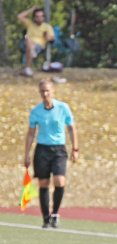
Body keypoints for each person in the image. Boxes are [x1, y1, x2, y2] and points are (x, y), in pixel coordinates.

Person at [24, 79, 78, 229]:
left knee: (60, 181)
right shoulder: (36, 111)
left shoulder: (63, 108)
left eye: (47, 90)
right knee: (43, 183)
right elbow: (30, 134)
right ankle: (46, 218)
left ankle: (55, 214)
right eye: (42, 91)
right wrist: (26, 154)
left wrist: (75, 148)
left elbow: (71, 128)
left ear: (53, 91)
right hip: (42, 149)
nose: (45, 93)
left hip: (59, 149)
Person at [17, 6, 55, 77]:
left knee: (29, 44)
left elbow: (52, 38)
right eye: (37, 16)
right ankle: (32, 51)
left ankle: (28, 68)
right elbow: (19, 16)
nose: (39, 18)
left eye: (41, 16)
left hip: (39, 46)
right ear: (34, 17)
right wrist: (31, 9)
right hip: (26, 43)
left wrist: (47, 37)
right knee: (28, 39)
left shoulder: (47, 27)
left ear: (43, 17)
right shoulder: (30, 24)